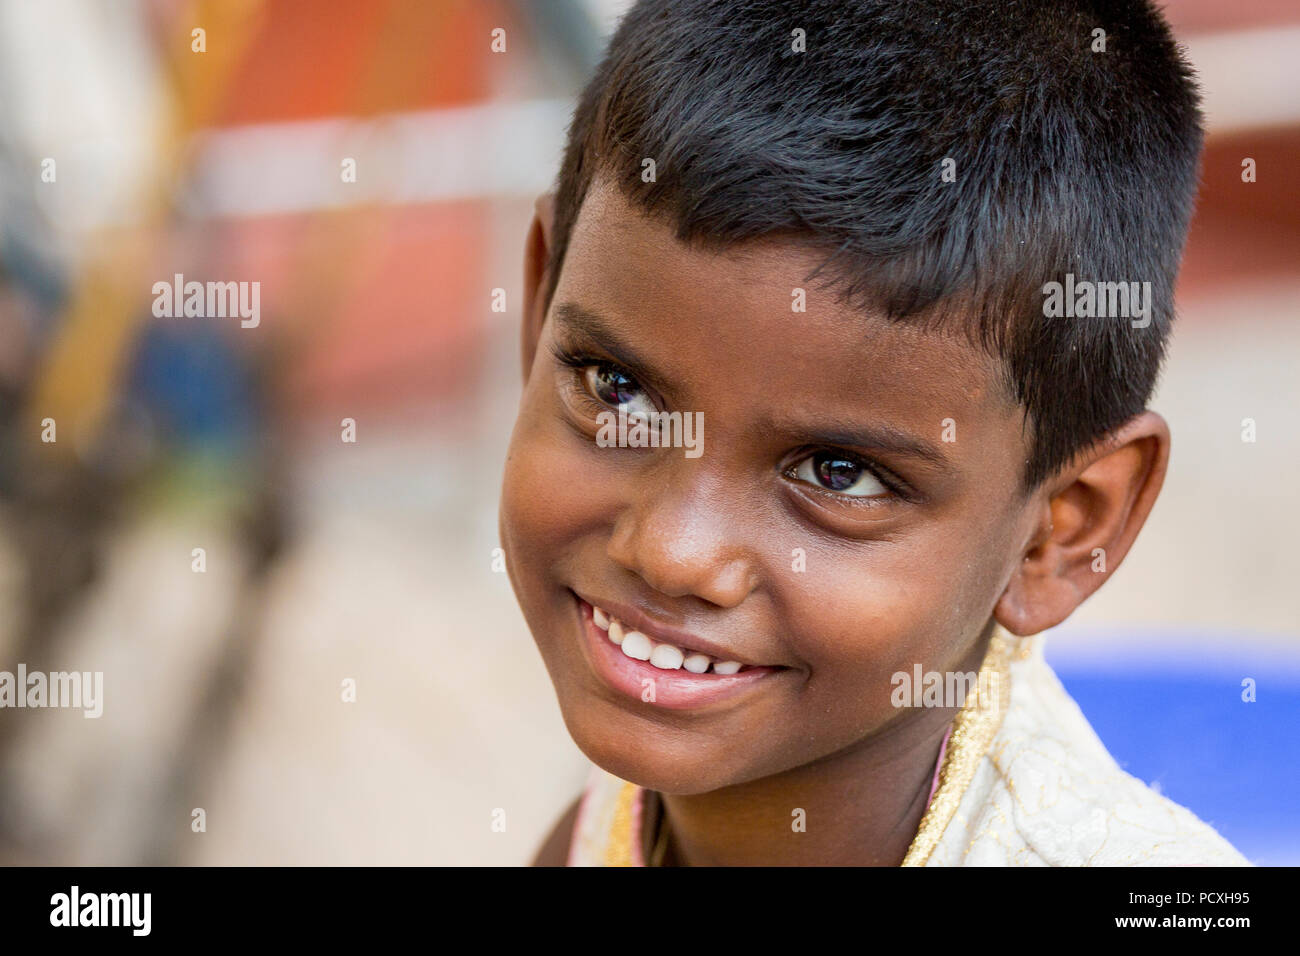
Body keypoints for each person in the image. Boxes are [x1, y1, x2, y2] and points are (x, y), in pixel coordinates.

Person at [499, 0, 1250, 866]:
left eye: (839, 473)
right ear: (539, 307)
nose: (671, 554)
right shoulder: (605, 831)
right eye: (617, 389)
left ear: (1061, 529)